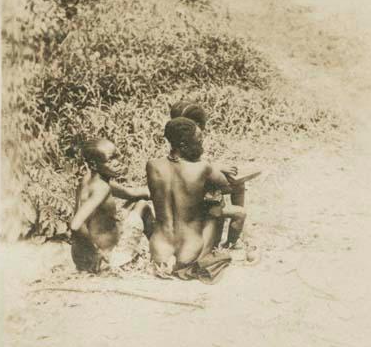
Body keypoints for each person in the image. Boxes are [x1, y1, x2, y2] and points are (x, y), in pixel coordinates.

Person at [146, 117, 241, 281]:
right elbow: (227, 186)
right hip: (189, 251)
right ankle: (229, 244)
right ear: (183, 145)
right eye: (199, 141)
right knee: (214, 209)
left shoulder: (152, 165)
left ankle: (168, 266)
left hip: (159, 252)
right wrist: (214, 168)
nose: (202, 146)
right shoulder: (202, 167)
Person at [169, 98, 246, 249]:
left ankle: (231, 236)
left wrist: (216, 169)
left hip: (194, 190)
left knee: (237, 185)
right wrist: (216, 171)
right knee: (238, 204)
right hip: (194, 200)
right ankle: (233, 242)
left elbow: (196, 165)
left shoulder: (179, 142)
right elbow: (192, 169)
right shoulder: (184, 145)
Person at [70, 138, 153, 273]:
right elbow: (75, 225)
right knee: (142, 205)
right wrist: (96, 254)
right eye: (110, 159)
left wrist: (160, 189)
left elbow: (131, 193)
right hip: (109, 258)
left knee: (135, 201)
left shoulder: (90, 180)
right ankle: (159, 256)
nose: (118, 163)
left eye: (117, 156)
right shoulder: (101, 188)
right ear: (94, 164)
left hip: (81, 258)